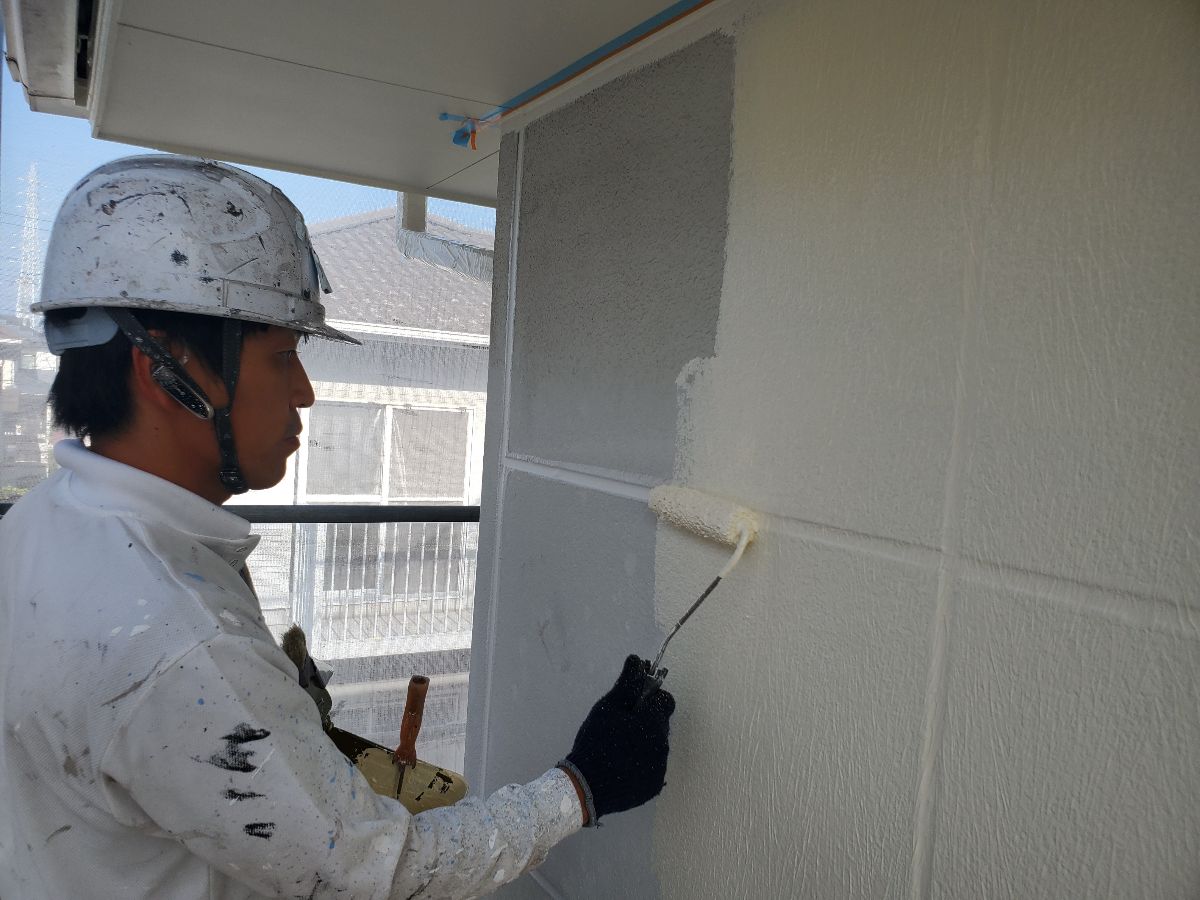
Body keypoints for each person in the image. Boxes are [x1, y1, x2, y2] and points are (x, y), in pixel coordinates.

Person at [0, 155, 675, 899]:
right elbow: (376, 873)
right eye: (283, 356)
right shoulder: (178, 639)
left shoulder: (41, 524)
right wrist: (580, 788)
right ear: (165, 369)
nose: (306, 392)